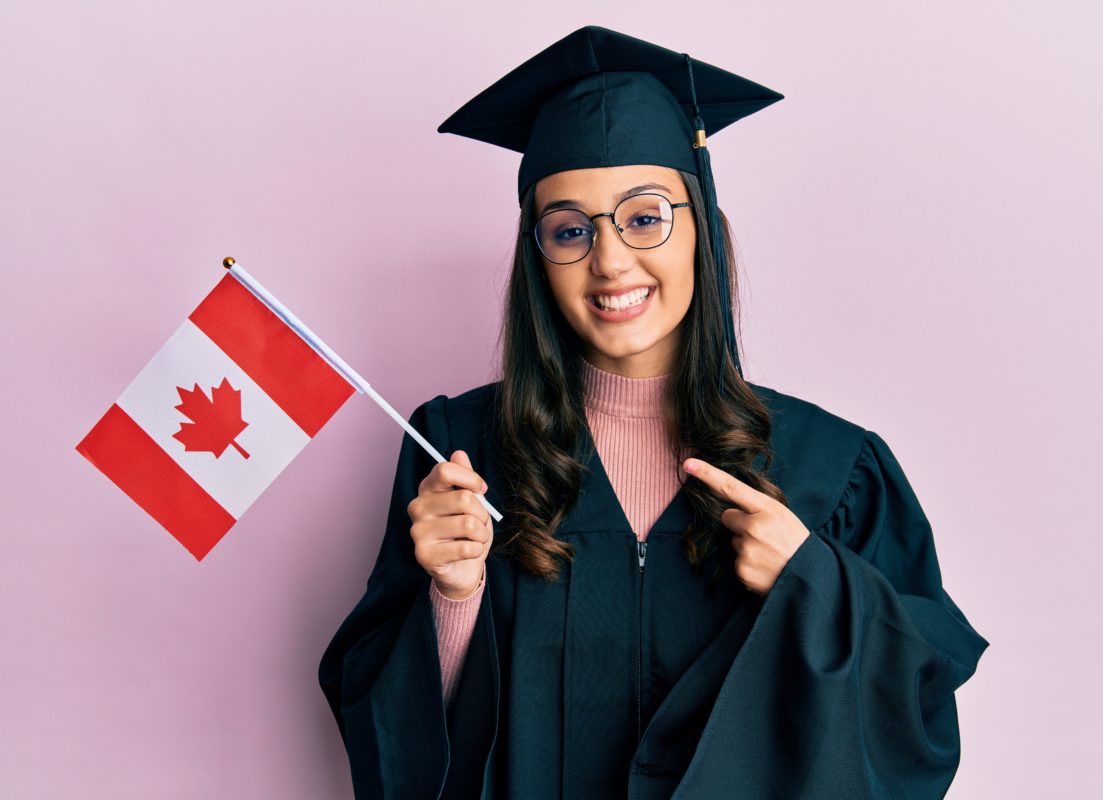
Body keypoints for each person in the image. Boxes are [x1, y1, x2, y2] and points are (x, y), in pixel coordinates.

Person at [318, 25, 989, 800]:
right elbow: (386, 741)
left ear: (701, 223)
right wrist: (453, 598)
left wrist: (815, 585)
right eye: (570, 230)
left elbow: (919, 710)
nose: (609, 260)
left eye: (644, 217)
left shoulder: (831, 469)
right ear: (538, 257)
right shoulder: (458, 456)